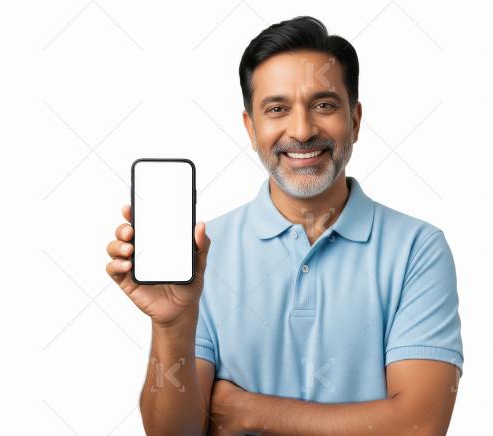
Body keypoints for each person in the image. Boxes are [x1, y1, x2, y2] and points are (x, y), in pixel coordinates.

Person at [106, 16, 463, 435]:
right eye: (277, 109)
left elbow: (417, 428)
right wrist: (172, 326)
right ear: (251, 128)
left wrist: (249, 411)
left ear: (356, 120)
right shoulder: (204, 251)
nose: (302, 130)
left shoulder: (417, 249)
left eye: (324, 105)